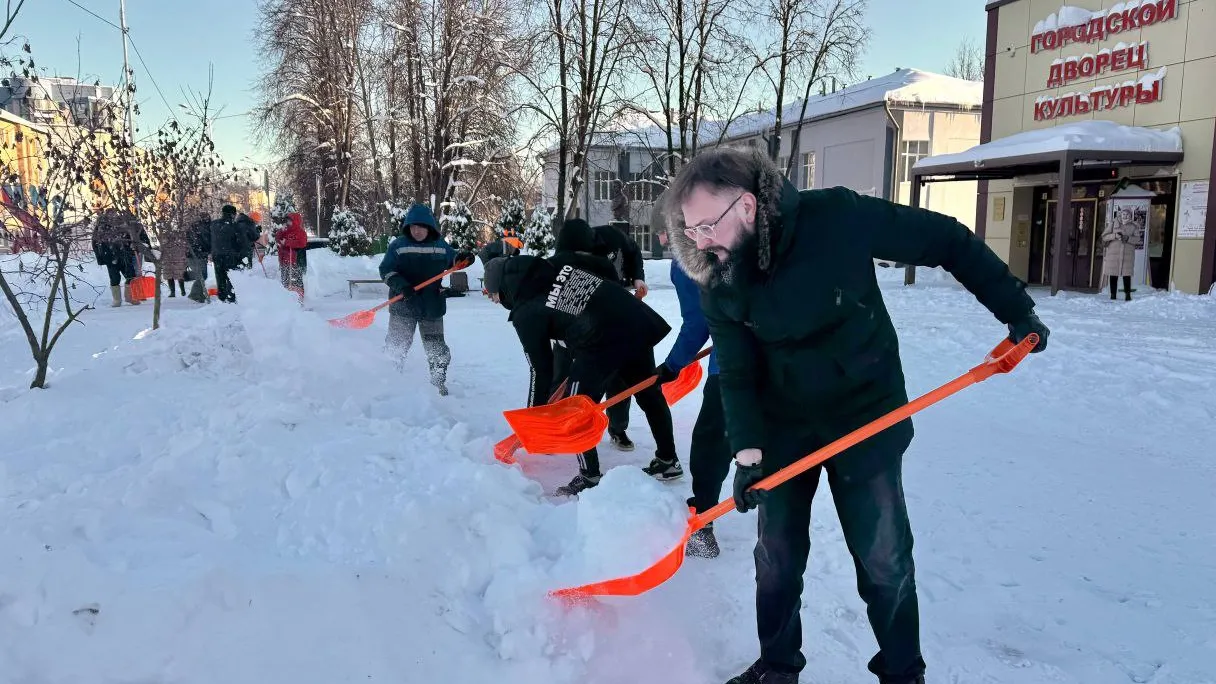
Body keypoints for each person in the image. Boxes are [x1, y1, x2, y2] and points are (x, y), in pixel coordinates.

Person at [660, 147, 1050, 684]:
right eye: (690, 229)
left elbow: (946, 240)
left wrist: (1015, 309)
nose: (698, 242)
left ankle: (902, 671)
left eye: (706, 226)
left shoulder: (837, 218)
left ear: (747, 207)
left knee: (884, 559)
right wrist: (747, 453)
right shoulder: (718, 275)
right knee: (775, 557)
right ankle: (777, 667)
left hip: (865, 413)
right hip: (783, 427)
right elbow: (736, 370)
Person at [482, 255, 683, 496]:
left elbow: (540, 369)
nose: (493, 300)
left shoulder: (526, 311)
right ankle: (668, 460)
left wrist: (533, 417)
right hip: (633, 319)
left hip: (601, 337)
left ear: (503, 288)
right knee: (648, 393)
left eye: (492, 294)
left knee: (575, 408)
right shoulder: (551, 267)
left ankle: (589, 476)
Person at [657, 249, 728, 559]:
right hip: (787, 362)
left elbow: (698, 322)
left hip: (732, 366)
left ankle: (704, 522)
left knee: (711, 442)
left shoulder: (687, 257)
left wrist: (673, 365)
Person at [549, 218, 639, 452]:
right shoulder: (562, 260)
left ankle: (618, 428)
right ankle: (556, 426)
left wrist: (637, 276)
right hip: (574, 314)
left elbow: (633, 249)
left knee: (615, 376)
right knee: (561, 370)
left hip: (611, 311)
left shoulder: (612, 238)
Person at [379, 203, 470, 396]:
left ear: (429, 227)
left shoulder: (440, 246)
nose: (417, 230)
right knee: (396, 347)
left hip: (431, 305)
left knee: (436, 348)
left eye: (421, 226)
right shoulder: (398, 245)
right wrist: (402, 285)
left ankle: (438, 384)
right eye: (413, 227)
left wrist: (464, 258)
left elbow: (455, 260)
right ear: (408, 227)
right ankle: (389, 383)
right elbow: (385, 270)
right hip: (403, 303)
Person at [208, 204, 258, 303]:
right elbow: (241, 242)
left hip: (216, 255)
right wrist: (242, 252)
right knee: (230, 277)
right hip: (230, 255)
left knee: (220, 276)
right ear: (232, 214)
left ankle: (221, 297)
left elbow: (209, 239)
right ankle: (230, 298)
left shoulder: (213, 224)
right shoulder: (235, 226)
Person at [91, 208, 140, 306]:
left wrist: (133, 246)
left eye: (114, 213)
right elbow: (95, 243)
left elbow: (130, 237)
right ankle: (117, 300)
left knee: (131, 275)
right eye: (110, 214)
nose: (112, 216)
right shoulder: (101, 227)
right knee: (114, 278)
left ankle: (130, 297)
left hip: (124, 254)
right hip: (109, 256)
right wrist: (100, 258)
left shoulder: (122, 224)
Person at [274, 212, 309, 302]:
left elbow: (302, 243)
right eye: (287, 221)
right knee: (285, 281)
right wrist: (281, 231)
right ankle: (287, 301)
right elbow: (277, 238)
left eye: (290, 221)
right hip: (284, 261)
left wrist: (287, 242)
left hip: (295, 261)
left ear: (296, 221)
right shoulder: (285, 230)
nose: (288, 223)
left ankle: (299, 300)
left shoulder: (300, 232)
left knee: (295, 281)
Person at [185, 212, 211, 303]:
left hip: (192, 254)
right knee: (202, 275)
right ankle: (195, 294)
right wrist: (210, 250)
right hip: (198, 254)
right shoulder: (202, 227)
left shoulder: (192, 226)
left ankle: (199, 294)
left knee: (201, 275)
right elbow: (206, 241)